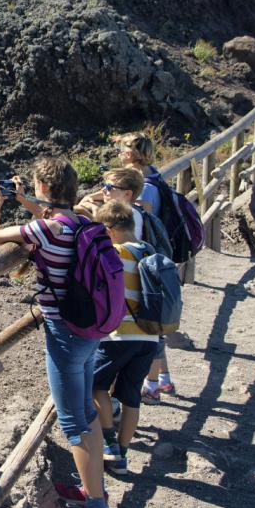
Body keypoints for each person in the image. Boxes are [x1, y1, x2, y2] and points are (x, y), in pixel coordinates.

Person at [0, 157, 113, 508]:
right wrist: (27, 201)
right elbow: (52, 215)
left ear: (43, 187)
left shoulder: (45, 230)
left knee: (73, 421)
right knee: (85, 413)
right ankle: (94, 491)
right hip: (91, 331)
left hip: (65, 334)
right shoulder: (82, 221)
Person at [90, 200, 160, 475]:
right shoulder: (149, 251)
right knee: (131, 395)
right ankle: (123, 456)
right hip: (150, 336)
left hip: (120, 336)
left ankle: (109, 443)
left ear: (110, 230)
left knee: (96, 386)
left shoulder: (115, 253)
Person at [115, 132, 178, 400]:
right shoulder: (153, 175)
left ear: (130, 154)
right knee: (152, 325)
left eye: (121, 150)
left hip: (141, 266)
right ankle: (162, 378)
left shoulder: (143, 186)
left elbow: (139, 223)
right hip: (153, 262)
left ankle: (152, 382)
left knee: (149, 324)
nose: (119, 154)